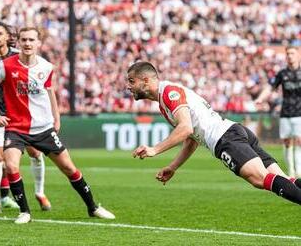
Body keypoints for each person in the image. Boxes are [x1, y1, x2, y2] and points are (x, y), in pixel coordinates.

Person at [0, 26, 115, 224]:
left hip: (43, 128)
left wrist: (57, 117)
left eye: (31, 40)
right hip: (16, 128)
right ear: (18, 42)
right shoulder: (5, 65)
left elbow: (49, 91)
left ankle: (93, 207)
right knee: (10, 166)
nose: (27, 43)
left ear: (39, 43)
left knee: (69, 168)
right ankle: (25, 211)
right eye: (24, 40)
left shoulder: (46, 67)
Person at [126, 61, 301, 206]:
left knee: (260, 179)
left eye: (132, 81)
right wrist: (173, 167)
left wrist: (155, 149)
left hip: (226, 139)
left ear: (146, 80)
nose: (128, 86)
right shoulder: (164, 101)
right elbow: (191, 139)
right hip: (234, 132)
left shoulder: (169, 93)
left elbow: (185, 128)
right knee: (283, 179)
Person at [0, 22, 50, 213]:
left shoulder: (20, 56)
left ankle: (32, 193)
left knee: (34, 153)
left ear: (8, 36)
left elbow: (41, 82)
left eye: (0, 33)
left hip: (24, 116)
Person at [255, 46, 301, 178]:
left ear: (298, 55)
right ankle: (291, 171)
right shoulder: (282, 74)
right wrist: (260, 98)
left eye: (292, 53)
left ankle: (298, 170)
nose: (290, 56)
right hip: (286, 112)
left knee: (299, 141)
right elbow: (270, 87)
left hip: (300, 113)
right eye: (287, 54)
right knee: (287, 142)